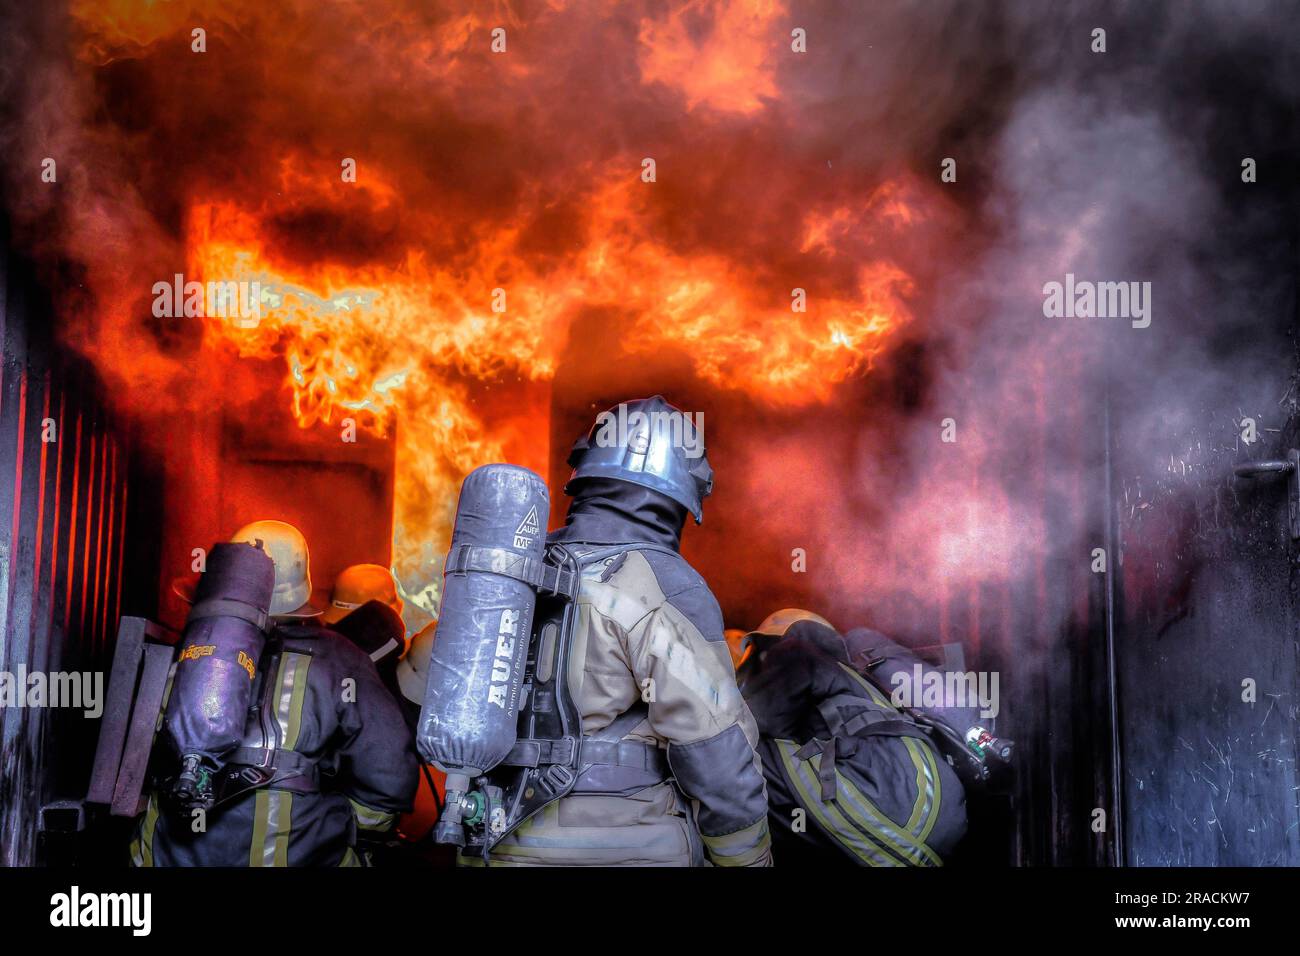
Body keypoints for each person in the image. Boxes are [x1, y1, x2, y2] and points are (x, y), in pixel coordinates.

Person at [475, 395, 772, 866]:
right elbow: (715, 754)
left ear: (585, 472)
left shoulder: (514, 570)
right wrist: (747, 860)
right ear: (682, 490)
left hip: (491, 841)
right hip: (619, 849)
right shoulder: (665, 582)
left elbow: (426, 686)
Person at [131, 520, 419, 867]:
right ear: (301, 590)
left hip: (166, 857)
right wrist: (345, 823)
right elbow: (388, 776)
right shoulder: (339, 658)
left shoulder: (192, 649)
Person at [737, 609, 968, 867]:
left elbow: (750, 723)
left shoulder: (794, 651)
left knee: (737, 754)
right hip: (942, 810)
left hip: (902, 814)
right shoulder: (860, 683)